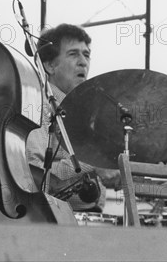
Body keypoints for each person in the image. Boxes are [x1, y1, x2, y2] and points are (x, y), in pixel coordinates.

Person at [26, 24, 120, 212]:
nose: (83, 62)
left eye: (86, 55)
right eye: (73, 54)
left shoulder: (86, 112)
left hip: (90, 219)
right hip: (53, 222)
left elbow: (105, 175)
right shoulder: (37, 108)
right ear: (49, 65)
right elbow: (36, 174)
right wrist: (94, 163)